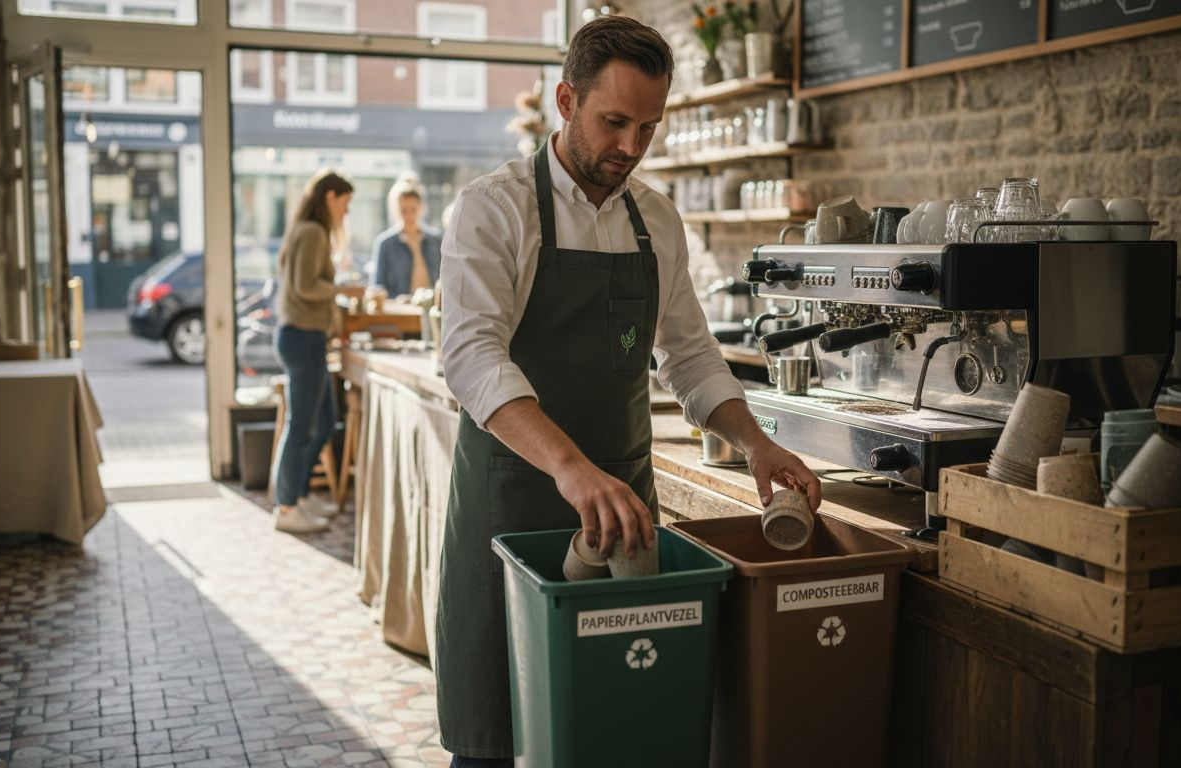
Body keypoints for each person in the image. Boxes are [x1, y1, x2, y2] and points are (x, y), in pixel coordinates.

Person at [434, 16, 821, 766]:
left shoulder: (658, 221)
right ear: (566, 101)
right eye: (614, 122)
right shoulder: (496, 208)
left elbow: (691, 357)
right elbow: (472, 357)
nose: (631, 146)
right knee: (497, 736)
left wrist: (756, 443)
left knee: (615, 728)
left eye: (649, 127)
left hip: (624, 516)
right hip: (511, 504)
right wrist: (571, 469)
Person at [271, 170, 353, 534]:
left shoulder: (307, 230)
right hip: (302, 338)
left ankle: (299, 496)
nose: (346, 212)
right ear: (330, 197)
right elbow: (305, 286)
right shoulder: (313, 232)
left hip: (307, 338)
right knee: (303, 425)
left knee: (323, 423)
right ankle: (287, 507)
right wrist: (342, 290)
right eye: (345, 204)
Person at [370, 182, 443, 298]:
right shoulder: (385, 243)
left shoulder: (436, 240)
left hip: (430, 305)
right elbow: (378, 286)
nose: (409, 215)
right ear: (395, 210)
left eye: (413, 210)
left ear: (421, 208)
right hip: (399, 307)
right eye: (403, 210)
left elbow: (444, 278)